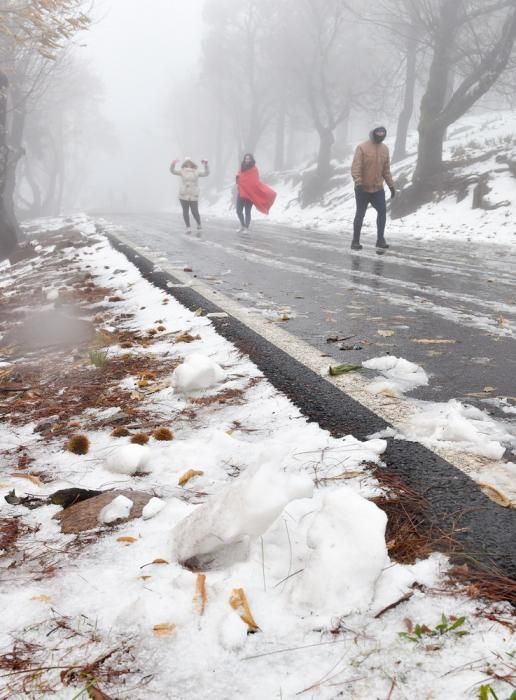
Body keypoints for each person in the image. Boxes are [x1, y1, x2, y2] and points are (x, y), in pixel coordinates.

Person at [350, 126, 395, 251]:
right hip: (362, 188)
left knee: (382, 212)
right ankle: (355, 241)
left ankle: (380, 240)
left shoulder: (385, 149)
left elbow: (386, 170)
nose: (381, 135)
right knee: (360, 214)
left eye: (383, 134)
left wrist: (391, 185)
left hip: (378, 189)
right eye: (378, 133)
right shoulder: (362, 147)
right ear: (373, 133)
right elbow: (356, 167)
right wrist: (358, 182)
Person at [235, 153, 276, 232]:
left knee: (247, 211)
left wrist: (247, 185)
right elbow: (239, 177)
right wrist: (238, 179)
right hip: (241, 192)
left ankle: (246, 228)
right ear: (244, 159)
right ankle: (242, 225)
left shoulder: (254, 169)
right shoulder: (241, 168)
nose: (247, 160)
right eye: (246, 158)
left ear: (251, 160)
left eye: (248, 159)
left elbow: (255, 182)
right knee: (238, 210)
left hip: (250, 194)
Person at [170, 157, 209, 233]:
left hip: (193, 194)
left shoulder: (196, 172)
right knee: (185, 212)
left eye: (190, 163)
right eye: (187, 163)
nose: (188, 164)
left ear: (192, 164)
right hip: (183, 194)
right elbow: (172, 171)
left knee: (195, 211)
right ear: (185, 164)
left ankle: (199, 224)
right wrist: (173, 163)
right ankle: (188, 227)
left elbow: (206, 173)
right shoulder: (182, 171)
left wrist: (206, 165)